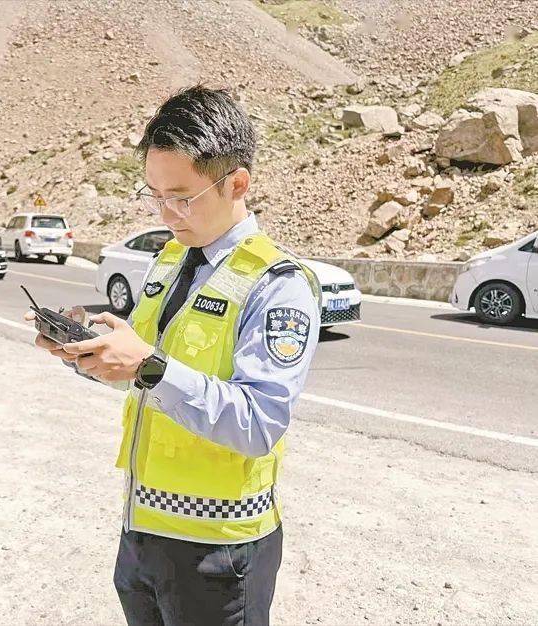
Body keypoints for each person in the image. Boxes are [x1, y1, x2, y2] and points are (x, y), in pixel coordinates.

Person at [25, 85, 321, 626]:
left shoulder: (278, 284)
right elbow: (134, 370)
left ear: (237, 183)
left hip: (218, 552)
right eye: (154, 195)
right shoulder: (168, 259)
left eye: (181, 197)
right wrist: (84, 350)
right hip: (142, 531)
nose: (166, 213)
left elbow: (258, 423)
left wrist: (149, 366)